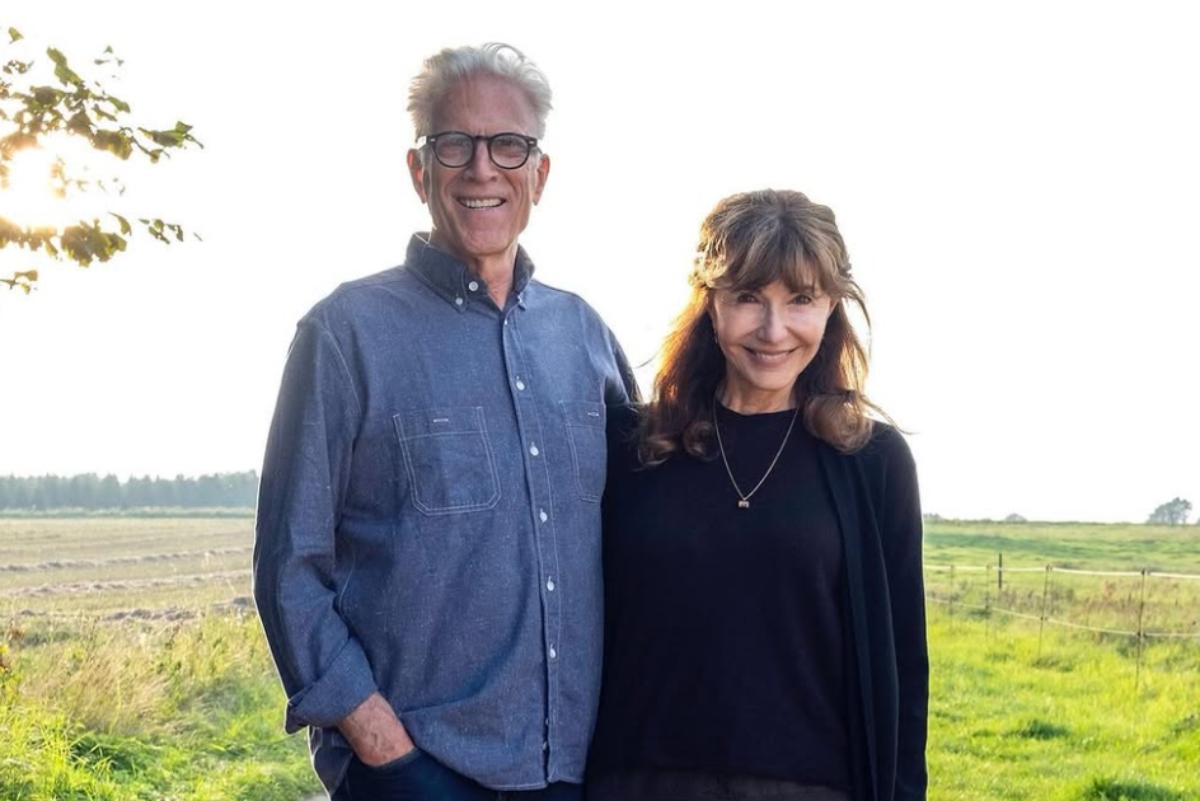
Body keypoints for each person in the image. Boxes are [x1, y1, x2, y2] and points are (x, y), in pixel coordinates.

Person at [252, 43, 636, 801]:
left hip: (582, 770)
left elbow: (654, 520)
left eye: (509, 145)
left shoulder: (586, 337)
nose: (482, 169)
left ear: (540, 173)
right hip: (419, 772)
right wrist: (379, 743)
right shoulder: (344, 335)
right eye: (454, 143)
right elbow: (289, 563)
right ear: (419, 168)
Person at [587, 189, 928, 801]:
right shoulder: (628, 447)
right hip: (637, 783)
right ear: (709, 306)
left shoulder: (873, 462)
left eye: (800, 299)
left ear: (832, 310)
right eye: (748, 298)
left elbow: (904, 670)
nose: (774, 330)